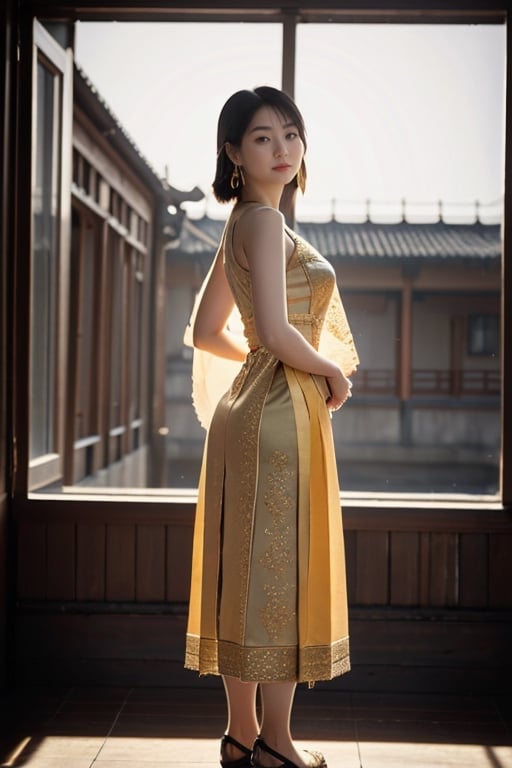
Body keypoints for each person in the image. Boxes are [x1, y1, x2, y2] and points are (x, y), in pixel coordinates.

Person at [184, 86, 359, 768]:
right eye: (262, 137)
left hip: (249, 410)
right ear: (233, 151)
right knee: (283, 573)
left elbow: (205, 330)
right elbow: (282, 331)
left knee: (249, 570)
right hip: (281, 414)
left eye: (291, 133)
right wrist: (329, 373)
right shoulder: (261, 221)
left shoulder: (243, 223)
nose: (282, 148)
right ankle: (276, 745)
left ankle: (240, 736)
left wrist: (263, 349)